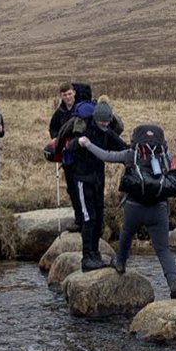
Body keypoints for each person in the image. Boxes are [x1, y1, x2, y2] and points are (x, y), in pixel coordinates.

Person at [78, 123, 176, 298]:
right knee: (164, 250)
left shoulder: (130, 155)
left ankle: (120, 263)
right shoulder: (166, 156)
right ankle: (174, 284)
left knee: (126, 234)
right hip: (159, 209)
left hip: (134, 207)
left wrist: (88, 144)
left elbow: (106, 155)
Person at [63, 99, 127, 271]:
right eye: (102, 121)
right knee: (88, 218)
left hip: (98, 180)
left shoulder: (107, 131)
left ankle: (95, 254)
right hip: (82, 180)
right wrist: (80, 142)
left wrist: (137, 153)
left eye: (107, 121)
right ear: (96, 118)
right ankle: (87, 257)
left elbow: (122, 147)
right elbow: (71, 147)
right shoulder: (85, 129)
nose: (105, 124)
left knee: (98, 218)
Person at [51, 83, 94, 231]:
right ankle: (79, 219)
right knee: (71, 188)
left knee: (81, 188)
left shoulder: (81, 109)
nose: (68, 97)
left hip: (81, 156)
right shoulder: (59, 113)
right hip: (67, 156)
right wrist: (57, 139)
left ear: (74, 93)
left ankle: (87, 219)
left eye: (69, 94)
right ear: (61, 96)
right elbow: (53, 128)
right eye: (64, 95)